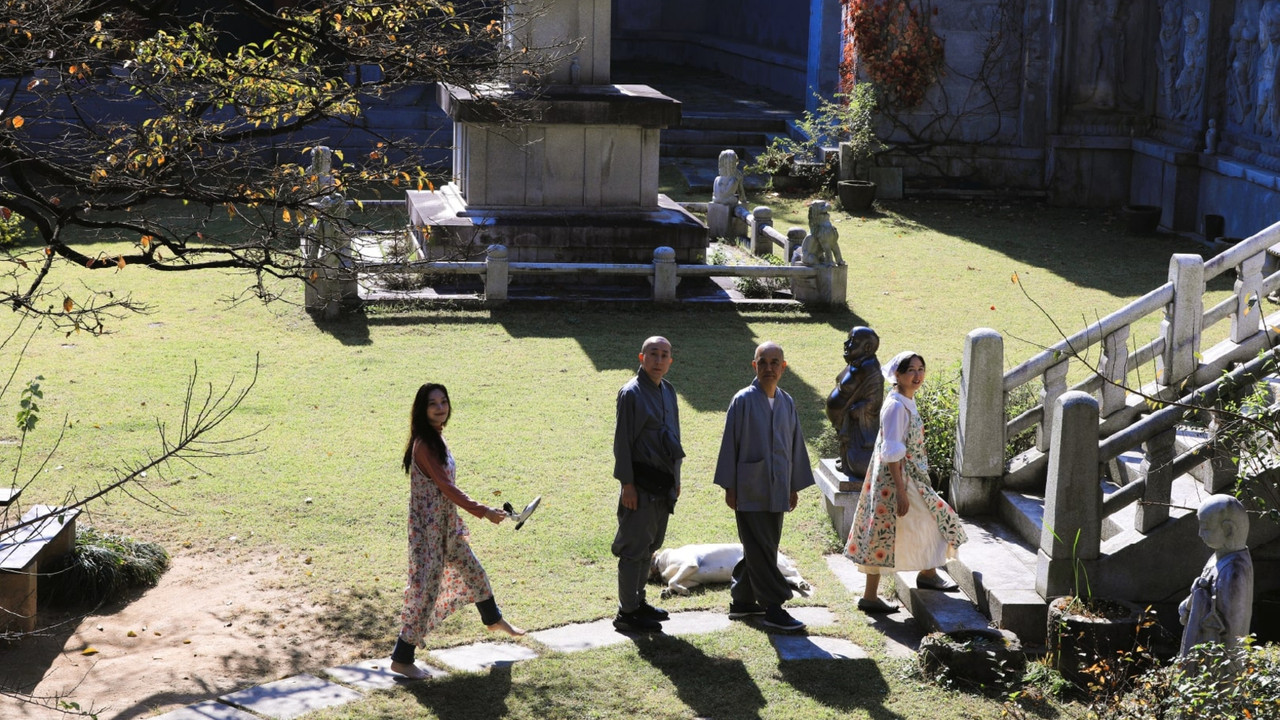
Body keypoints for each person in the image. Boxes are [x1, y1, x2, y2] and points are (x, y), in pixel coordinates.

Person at [389, 383, 524, 679]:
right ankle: (402, 658)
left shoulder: (436, 438)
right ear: (422, 411)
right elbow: (446, 488)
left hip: (445, 525)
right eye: (433, 404)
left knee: (473, 570)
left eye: (444, 402)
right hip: (429, 532)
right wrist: (483, 511)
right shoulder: (424, 445)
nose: (440, 408)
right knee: (425, 592)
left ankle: (493, 619)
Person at [845, 351, 968, 614]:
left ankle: (927, 572)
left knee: (921, 523)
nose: (917, 375)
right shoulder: (896, 407)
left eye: (921, 369)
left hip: (907, 477)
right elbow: (891, 451)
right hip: (897, 481)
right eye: (910, 370)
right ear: (897, 375)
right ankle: (872, 595)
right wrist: (900, 492)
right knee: (886, 532)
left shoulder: (904, 401)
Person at [713, 341, 815, 632]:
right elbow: (729, 445)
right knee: (760, 546)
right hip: (749, 486)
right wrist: (729, 486)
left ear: (783, 367)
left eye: (774, 362)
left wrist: (793, 485)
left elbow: (795, 445)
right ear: (754, 366)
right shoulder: (742, 400)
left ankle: (743, 601)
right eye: (763, 362)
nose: (769, 368)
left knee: (763, 546)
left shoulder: (787, 401)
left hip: (779, 486)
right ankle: (774, 607)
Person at [612, 336, 684, 632]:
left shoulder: (668, 391)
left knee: (650, 545)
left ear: (670, 361)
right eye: (652, 354)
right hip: (639, 485)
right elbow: (623, 443)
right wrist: (627, 485)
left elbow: (675, 437)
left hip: (662, 483)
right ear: (641, 358)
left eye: (664, 355)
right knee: (634, 548)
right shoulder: (631, 393)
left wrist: (676, 480)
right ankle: (626, 612)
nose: (658, 360)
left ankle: (639, 602)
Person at [1179, 494, 1254, 657]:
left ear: (1228, 530)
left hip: (1216, 657)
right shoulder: (1219, 556)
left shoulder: (1234, 572)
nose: (1199, 533)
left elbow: (1232, 630)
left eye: (1205, 528)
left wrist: (1200, 598)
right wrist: (1190, 601)